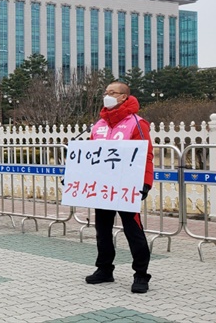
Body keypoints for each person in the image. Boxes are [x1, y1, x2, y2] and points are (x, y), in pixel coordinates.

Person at [85, 81, 154, 294]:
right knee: (102, 230)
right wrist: (75, 178)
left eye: (112, 92)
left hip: (126, 186)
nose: (107, 96)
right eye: (106, 92)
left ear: (124, 96)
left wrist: (145, 183)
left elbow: (146, 155)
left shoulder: (136, 123)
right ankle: (104, 269)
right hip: (103, 186)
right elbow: (88, 156)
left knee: (133, 230)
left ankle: (141, 274)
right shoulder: (99, 125)